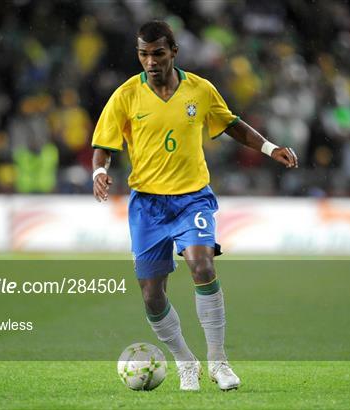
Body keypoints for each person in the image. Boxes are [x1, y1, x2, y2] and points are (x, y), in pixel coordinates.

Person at [91, 21, 298, 391]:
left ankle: (218, 362)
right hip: (147, 205)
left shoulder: (200, 90)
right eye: (143, 54)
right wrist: (99, 173)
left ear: (173, 52)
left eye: (157, 53)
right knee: (153, 295)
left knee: (201, 265)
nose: (150, 61)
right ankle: (186, 362)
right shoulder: (125, 95)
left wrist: (270, 148)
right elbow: (103, 145)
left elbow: (231, 124)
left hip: (192, 198)